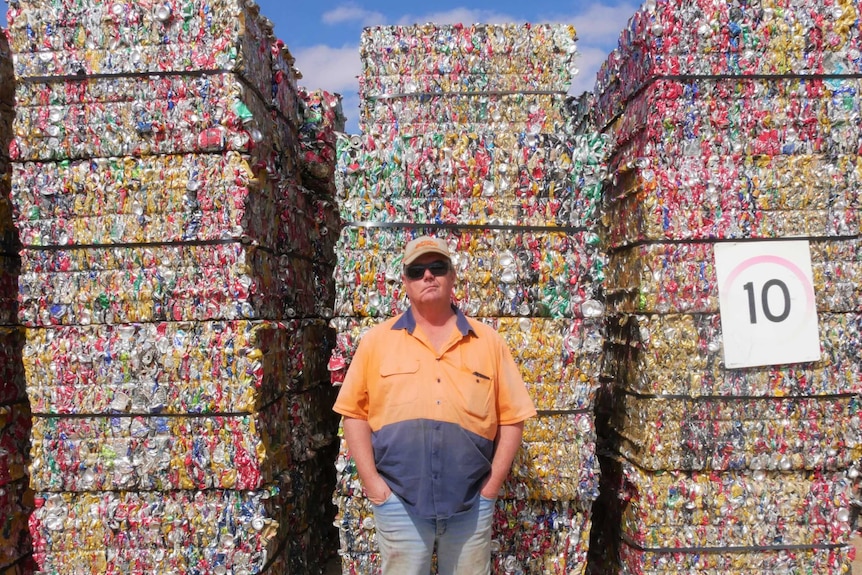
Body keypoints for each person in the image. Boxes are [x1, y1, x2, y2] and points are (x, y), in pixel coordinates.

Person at [333, 235, 537, 575]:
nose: (428, 276)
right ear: (405, 282)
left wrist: (491, 489)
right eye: (417, 271)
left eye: (437, 267)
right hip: (399, 502)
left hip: (470, 505)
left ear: (452, 276)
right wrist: (374, 486)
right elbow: (354, 413)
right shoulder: (376, 342)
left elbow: (513, 417)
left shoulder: (488, 342)